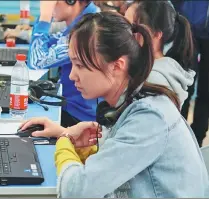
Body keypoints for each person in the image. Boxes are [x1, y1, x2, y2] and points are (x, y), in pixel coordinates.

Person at [19, 12, 209, 197]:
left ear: (117, 66)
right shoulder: (132, 102)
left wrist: (63, 144)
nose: (71, 75)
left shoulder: (149, 117)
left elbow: (77, 190)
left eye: (80, 65)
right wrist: (65, 132)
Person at [25, 0, 99, 127]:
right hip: (72, 106)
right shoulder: (84, 19)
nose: (48, 4)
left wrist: (45, 18)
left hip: (79, 116)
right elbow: (46, 46)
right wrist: (43, 18)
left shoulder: (88, 29)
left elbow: (36, 62)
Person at [124, 1, 195, 108]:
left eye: (132, 28)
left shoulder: (153, 81)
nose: (123, 33)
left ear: (157, 34)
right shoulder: (146, 67)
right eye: (123, 24)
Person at [172, 0, 209, 147]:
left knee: (206, 91)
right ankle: (177, 133)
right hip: (188, 28)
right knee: (184, 84)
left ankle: (197, 138)